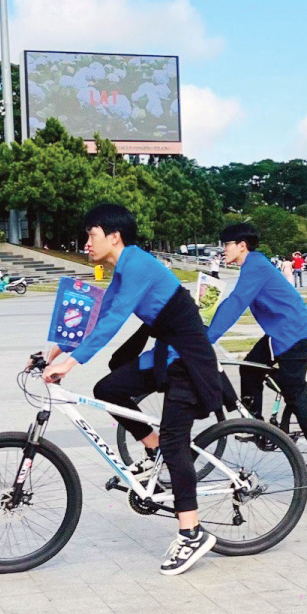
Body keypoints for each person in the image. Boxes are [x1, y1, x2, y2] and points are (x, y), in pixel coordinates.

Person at [42, 204, 225, 575]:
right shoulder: (122, 268)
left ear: (114, 236)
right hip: (166, 354)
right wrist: (64, 346)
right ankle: (151, 445)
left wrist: (71, 363)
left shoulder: (137, 264)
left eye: (90, 235)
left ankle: (192, 533)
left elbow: (115, 317)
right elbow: (101, 311)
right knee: (108, 388)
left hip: (188, 359)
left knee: (178, 444)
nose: (85, 244)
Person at [204, 222, 307, 478]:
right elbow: (231, 301)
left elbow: (237, 303)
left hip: (294, 333)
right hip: (279, 333)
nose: (223, 249)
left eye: (226, 244)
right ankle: (255, 426)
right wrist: (206, 324)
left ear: (241, 246)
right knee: (249, 369)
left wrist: (208, 337)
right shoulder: (252, 265)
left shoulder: (256, 266)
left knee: (293, 390)